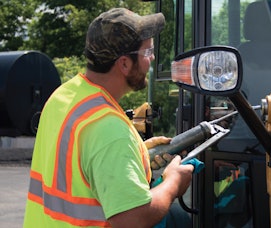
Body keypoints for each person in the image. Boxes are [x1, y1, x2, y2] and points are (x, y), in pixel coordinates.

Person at [23, 8, 194, 227]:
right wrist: (174, 183)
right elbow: (132, 219)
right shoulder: (110, 131)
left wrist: (137, 151)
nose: (151, 58)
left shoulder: (64, 96)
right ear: (124, 63)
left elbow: (79, 161)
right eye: (148, 51)